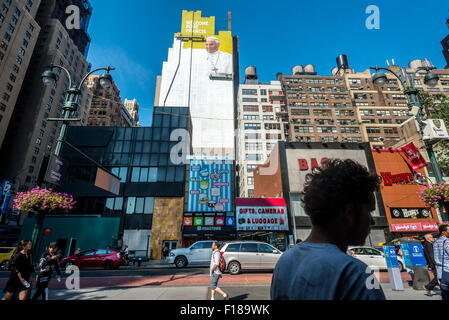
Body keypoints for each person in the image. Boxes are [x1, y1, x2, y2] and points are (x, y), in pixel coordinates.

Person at [271, 159, 385, 300]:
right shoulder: (356, 274)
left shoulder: (284, 262)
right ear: (349, 212)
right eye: (369, 211)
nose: (372, 221)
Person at [434, 224, 449, 301]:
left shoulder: (436, 242)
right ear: (443, 232)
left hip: (440, 270)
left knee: (444, 293)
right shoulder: (447, 241)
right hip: (447, 269)